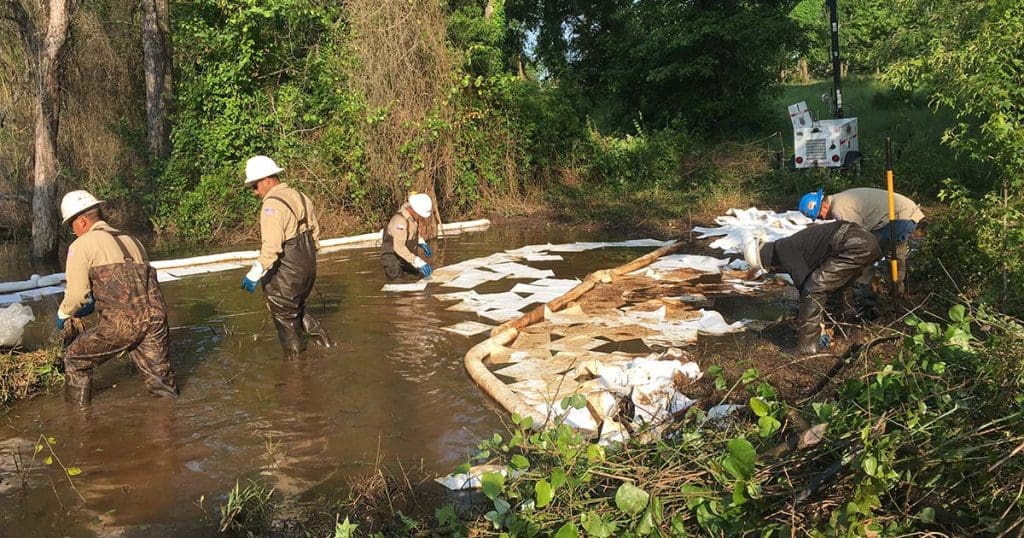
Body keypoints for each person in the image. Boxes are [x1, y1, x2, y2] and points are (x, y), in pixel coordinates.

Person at [57, 190, 178, 405]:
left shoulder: (80, 245)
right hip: (156, 321)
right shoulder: (132, 239)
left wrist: (63, 313)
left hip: (122, 324)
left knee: (75, 358)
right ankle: (168, 427)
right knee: (161, 384)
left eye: (71, 227)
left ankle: (78, 422)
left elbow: (76, 296)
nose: (73, 232)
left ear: (82, 221)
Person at [240, 155, 333, 356]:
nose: (254, 192)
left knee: (284, 312)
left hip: (288, 274)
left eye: (254, 186)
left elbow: (271, 247)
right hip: (308, 269)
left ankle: (296, 368)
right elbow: (315, 234)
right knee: (296, 307)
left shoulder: (271, 205)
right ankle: (325, 345)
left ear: (267, 180)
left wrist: (254, 274)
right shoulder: (301, 196)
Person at [744, 220, 881, 355]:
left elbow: (807, 287)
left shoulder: (783, 248)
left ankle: (807, 346)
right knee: (838, 288)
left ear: (765, 260)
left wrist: (815, 323)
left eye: (769, 267)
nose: (773, 269)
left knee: (813, 288)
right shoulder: (791, 245)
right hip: (864, 241)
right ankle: (847, 331)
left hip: (853, 245)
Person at [798, 187, 925, 294]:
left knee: (865, 254)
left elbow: (860, 238)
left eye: (820, 215)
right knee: (894, 254)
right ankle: (897, 290)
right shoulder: (840, 199)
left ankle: (867, 294)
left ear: (823, 205)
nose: (823, 219)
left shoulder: (839, 209)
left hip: (898, 217)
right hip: (904, 213)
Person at [380, 193, 435, 281]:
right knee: (398, 284)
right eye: (420, 215)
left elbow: (412, 232)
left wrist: (421, 243)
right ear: (413, 209)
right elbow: (398, 247)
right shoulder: (399, 221)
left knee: (417, 277)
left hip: (406, 257)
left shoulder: (412, 218)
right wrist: (418, 262)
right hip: (393, 260)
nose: (421, 217)